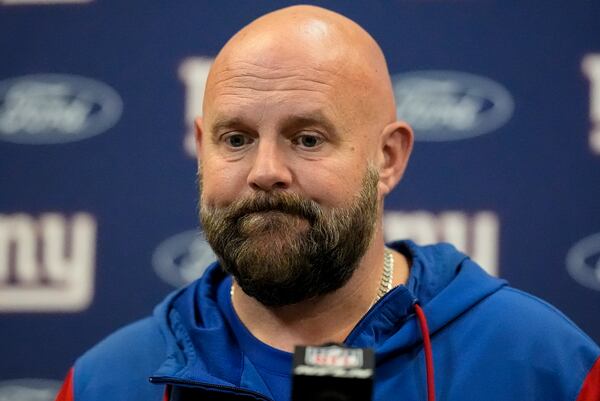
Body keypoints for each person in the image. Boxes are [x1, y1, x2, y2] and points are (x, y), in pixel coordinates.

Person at [55, 5, 599, 401]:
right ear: (201, 150)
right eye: (237, 140)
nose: (266, 172)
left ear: (387, 158)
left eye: (307, 138)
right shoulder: (106, 382)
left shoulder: (540, 365)